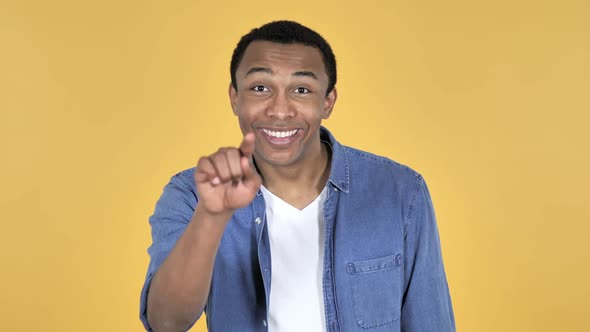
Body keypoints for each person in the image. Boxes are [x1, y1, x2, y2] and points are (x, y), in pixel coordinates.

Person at [140, 20, 455, 332]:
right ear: (235, 97)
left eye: (301, 90)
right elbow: (165, 322)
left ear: (327, 102)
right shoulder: (193, 193)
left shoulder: (400, 192)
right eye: (260, 88)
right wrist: (211, 217)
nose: (280, 111)